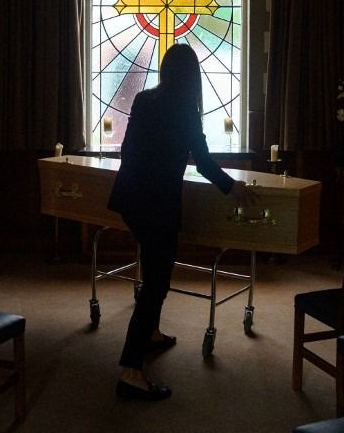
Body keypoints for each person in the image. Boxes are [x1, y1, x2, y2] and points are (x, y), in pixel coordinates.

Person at [107, 43, 258, 401]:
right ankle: (130, 370)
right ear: (193, 76)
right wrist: (233, 187)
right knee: (156, 283)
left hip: (131, 198)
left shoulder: (144, 100)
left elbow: (129, 151)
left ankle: (153, 334)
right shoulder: (186, 108)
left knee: (153, 271)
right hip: (157, 205)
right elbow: (203, 162)